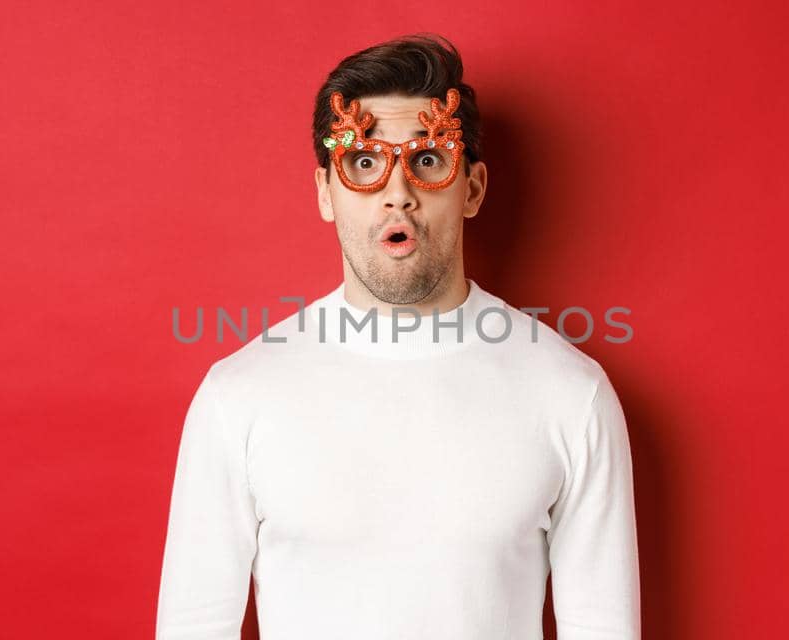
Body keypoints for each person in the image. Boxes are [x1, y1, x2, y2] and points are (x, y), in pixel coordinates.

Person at [155, 33, 641, 639]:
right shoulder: (238, 396)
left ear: (473, 188)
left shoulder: (571, 395)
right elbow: (193, 625)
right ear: (325, 193)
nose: (397, 193)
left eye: (428, 160)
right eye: (363, 163)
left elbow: (602, 625)